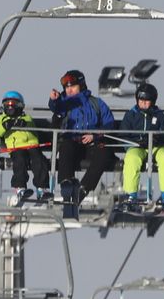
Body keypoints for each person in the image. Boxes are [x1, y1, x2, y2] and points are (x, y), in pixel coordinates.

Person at [48, 69, 116, 206]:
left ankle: (83, 189)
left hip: (92, 145)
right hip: (73, 145)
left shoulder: (96, 103)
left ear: (81, 85)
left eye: (72, 86)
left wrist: (94, 135)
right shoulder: (65, 103)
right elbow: (56, 109)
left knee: (104, 153)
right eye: (66, 87)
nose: (69, 90)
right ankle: (66, 184)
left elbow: (109, 124)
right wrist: (54, 100)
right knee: (66, 146)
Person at [116, 83, 164, 207]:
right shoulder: (131, 115)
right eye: (141, 100)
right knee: (132, 159)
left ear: (153, 101)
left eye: (147, 101)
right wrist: (135, 142)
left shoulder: (159, 115)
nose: (143, 103)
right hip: (137, 147)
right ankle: (131, 195)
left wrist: (158, 139)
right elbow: (123, 135)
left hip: (156, 147)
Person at [0, 90, 51, 204]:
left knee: (39, 161)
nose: (10, 107)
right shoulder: (2, 119)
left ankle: (42, 188)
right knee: (20, 161)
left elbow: (30, 125)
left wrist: (22, 124)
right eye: (7, 105)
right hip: (16, 148)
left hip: (32, 146)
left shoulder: (26, 117)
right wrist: (6, 126)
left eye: (13, 104)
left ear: (20, 106)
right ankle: (20, 187)